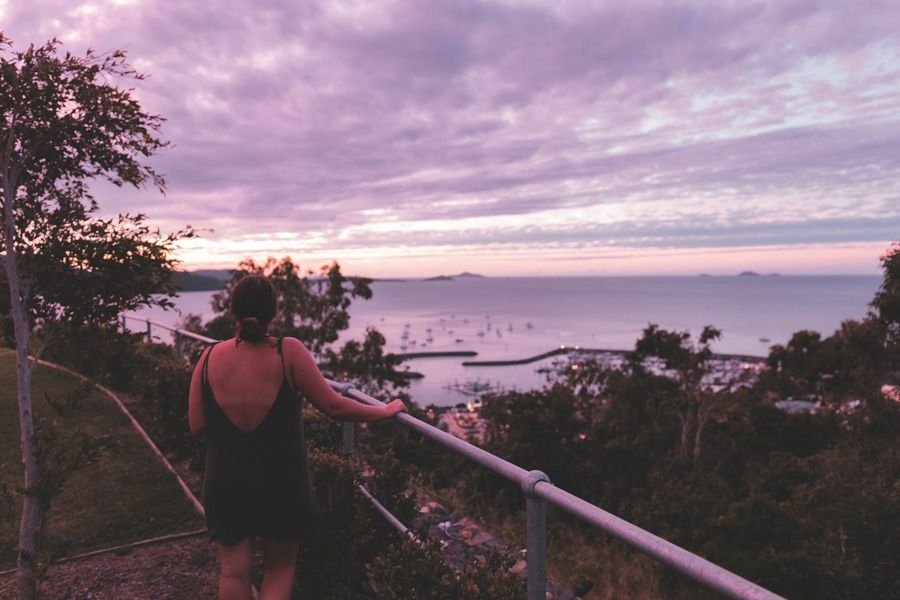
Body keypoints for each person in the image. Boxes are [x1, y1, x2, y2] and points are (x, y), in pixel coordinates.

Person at [188, 275, 406, 600]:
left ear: (233, 310)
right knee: (279, 569)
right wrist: (384, 411)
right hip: (280, 481)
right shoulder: (287, 352)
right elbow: (334, 406)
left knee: (233, 572)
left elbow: (197, 425)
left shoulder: (208, 358)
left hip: (225, 479)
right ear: (273, 311)